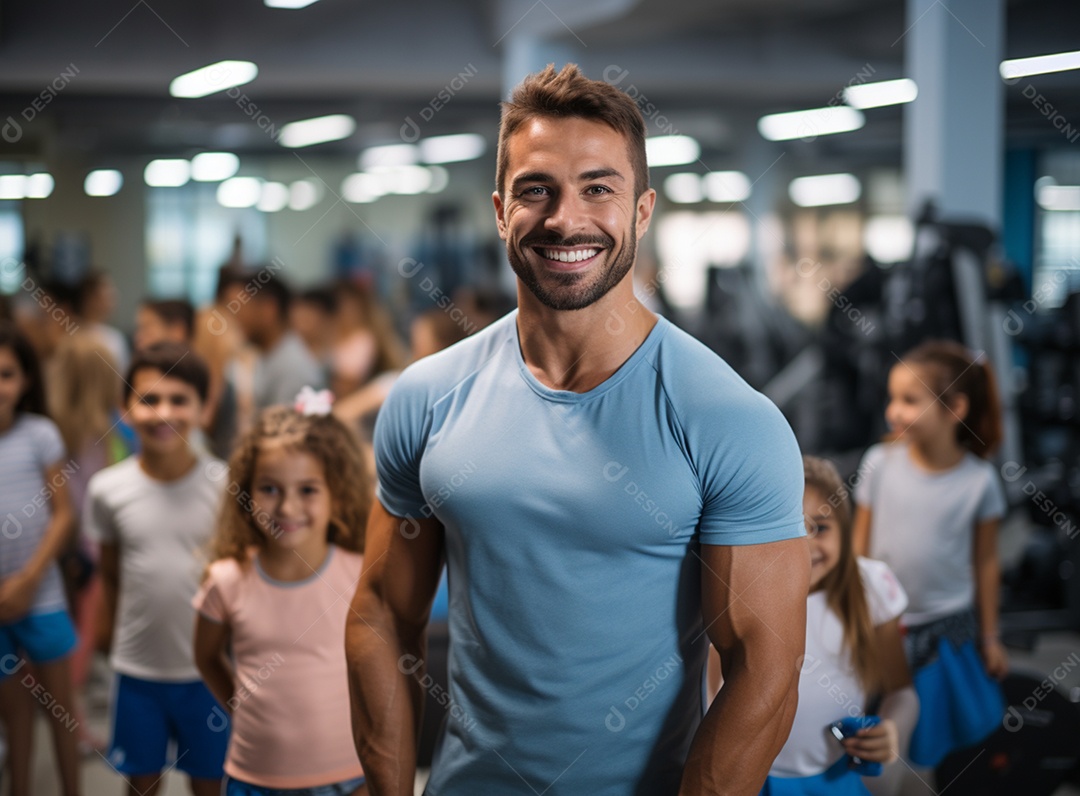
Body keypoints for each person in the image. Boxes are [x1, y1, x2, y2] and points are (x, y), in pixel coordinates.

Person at [346, 63, 809, 795]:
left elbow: (767, 667)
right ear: (501, 210)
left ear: (642, 210)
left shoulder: (727, 417)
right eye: (538, 190)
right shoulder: (429, 396)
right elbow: (380, 613)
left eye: (599, 188)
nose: (566, 219)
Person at [193, 393, 370, 796]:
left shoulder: (359, 574)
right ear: (246, 493)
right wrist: (245, 708)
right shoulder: (226, 581)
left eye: (308, 490)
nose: (288, 507)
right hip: (254, 779)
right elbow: (206, 657)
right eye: (270, 488)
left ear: (336, 494)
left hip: (346, 779)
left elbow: (385, 671)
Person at [853, 340, 1007, 772]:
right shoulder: (879, 464)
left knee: (935, 737)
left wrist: (991, 638)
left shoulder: (979, 483)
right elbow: (858, 550)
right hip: (884, 628)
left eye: (909, 400)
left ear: (954, 407)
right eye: (892, 398)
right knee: (881, 737)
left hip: (945, 633)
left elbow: (987, 563)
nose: (892, 411)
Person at [86, 343, 229, 796]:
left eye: (178, 399)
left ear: (203, 409)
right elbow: (111, 575)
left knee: (210, 783)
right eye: (148, 399)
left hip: (209, 674)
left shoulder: (227, 487)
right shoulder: (108, 490)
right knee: (141, 784)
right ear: (126, 408)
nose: (162, 412)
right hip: (137, 671)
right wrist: (108, 634)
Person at [761, 457, 918, 796]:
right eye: (789, 528)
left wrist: (893, 729)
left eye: (820, 526)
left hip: (837, 779)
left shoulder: (870, 588)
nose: (805, 546)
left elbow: (901, 691)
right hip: (756, 782)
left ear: (844, 529)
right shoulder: (749, 597)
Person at [46, 333, 137, 754]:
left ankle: (74, 718)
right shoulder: (110, 433)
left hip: (66, 551)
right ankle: (76, 725)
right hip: (95, 552)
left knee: (74, 640)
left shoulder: (56, 431)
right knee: (84, 642)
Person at [0, 322, 80, 796]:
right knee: (14, 716)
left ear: (27, 379)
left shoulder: (40, 435)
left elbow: (64, 515)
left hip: (42, 594)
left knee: (61, 711)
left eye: (7, 374)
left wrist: (28, 581)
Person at [223, 271, 325, 413]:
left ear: (268, 309)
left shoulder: (293, 368)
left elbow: (283, 432)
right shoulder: (270, 355)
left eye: (239, 308)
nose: (234, 318)